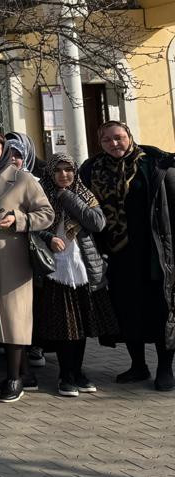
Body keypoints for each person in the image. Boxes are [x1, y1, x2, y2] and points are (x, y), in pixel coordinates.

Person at [79, 120, 175, 390]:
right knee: (127, 310)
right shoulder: (92, 169)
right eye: (107, 140)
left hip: (154, 251)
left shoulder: (154, 164)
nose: (114, 144)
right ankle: (138, 365)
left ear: (129, 136)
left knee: (161, 308)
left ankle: (165, 369)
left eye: (118, 137)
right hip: (117, 254)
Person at [0, 132, 54, 402]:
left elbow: (47, 214)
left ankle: (14, 380)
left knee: (13, 319)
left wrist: (18, 218)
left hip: (11, 258)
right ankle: (22, 372)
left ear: (3, 150)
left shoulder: (22, 178)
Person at [33, 154, 119, 397]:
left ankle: (78, 371)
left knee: (80, 326)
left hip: (83, 267)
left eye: (68, 169)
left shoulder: (83, 193)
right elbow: (33, 227)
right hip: (54, 269)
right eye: (58, 170)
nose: (63, 175)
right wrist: (49, 237)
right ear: (50, 172)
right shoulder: (41, 194)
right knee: (64, 326)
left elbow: (97, 222)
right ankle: (65, 374)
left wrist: (67, 196)